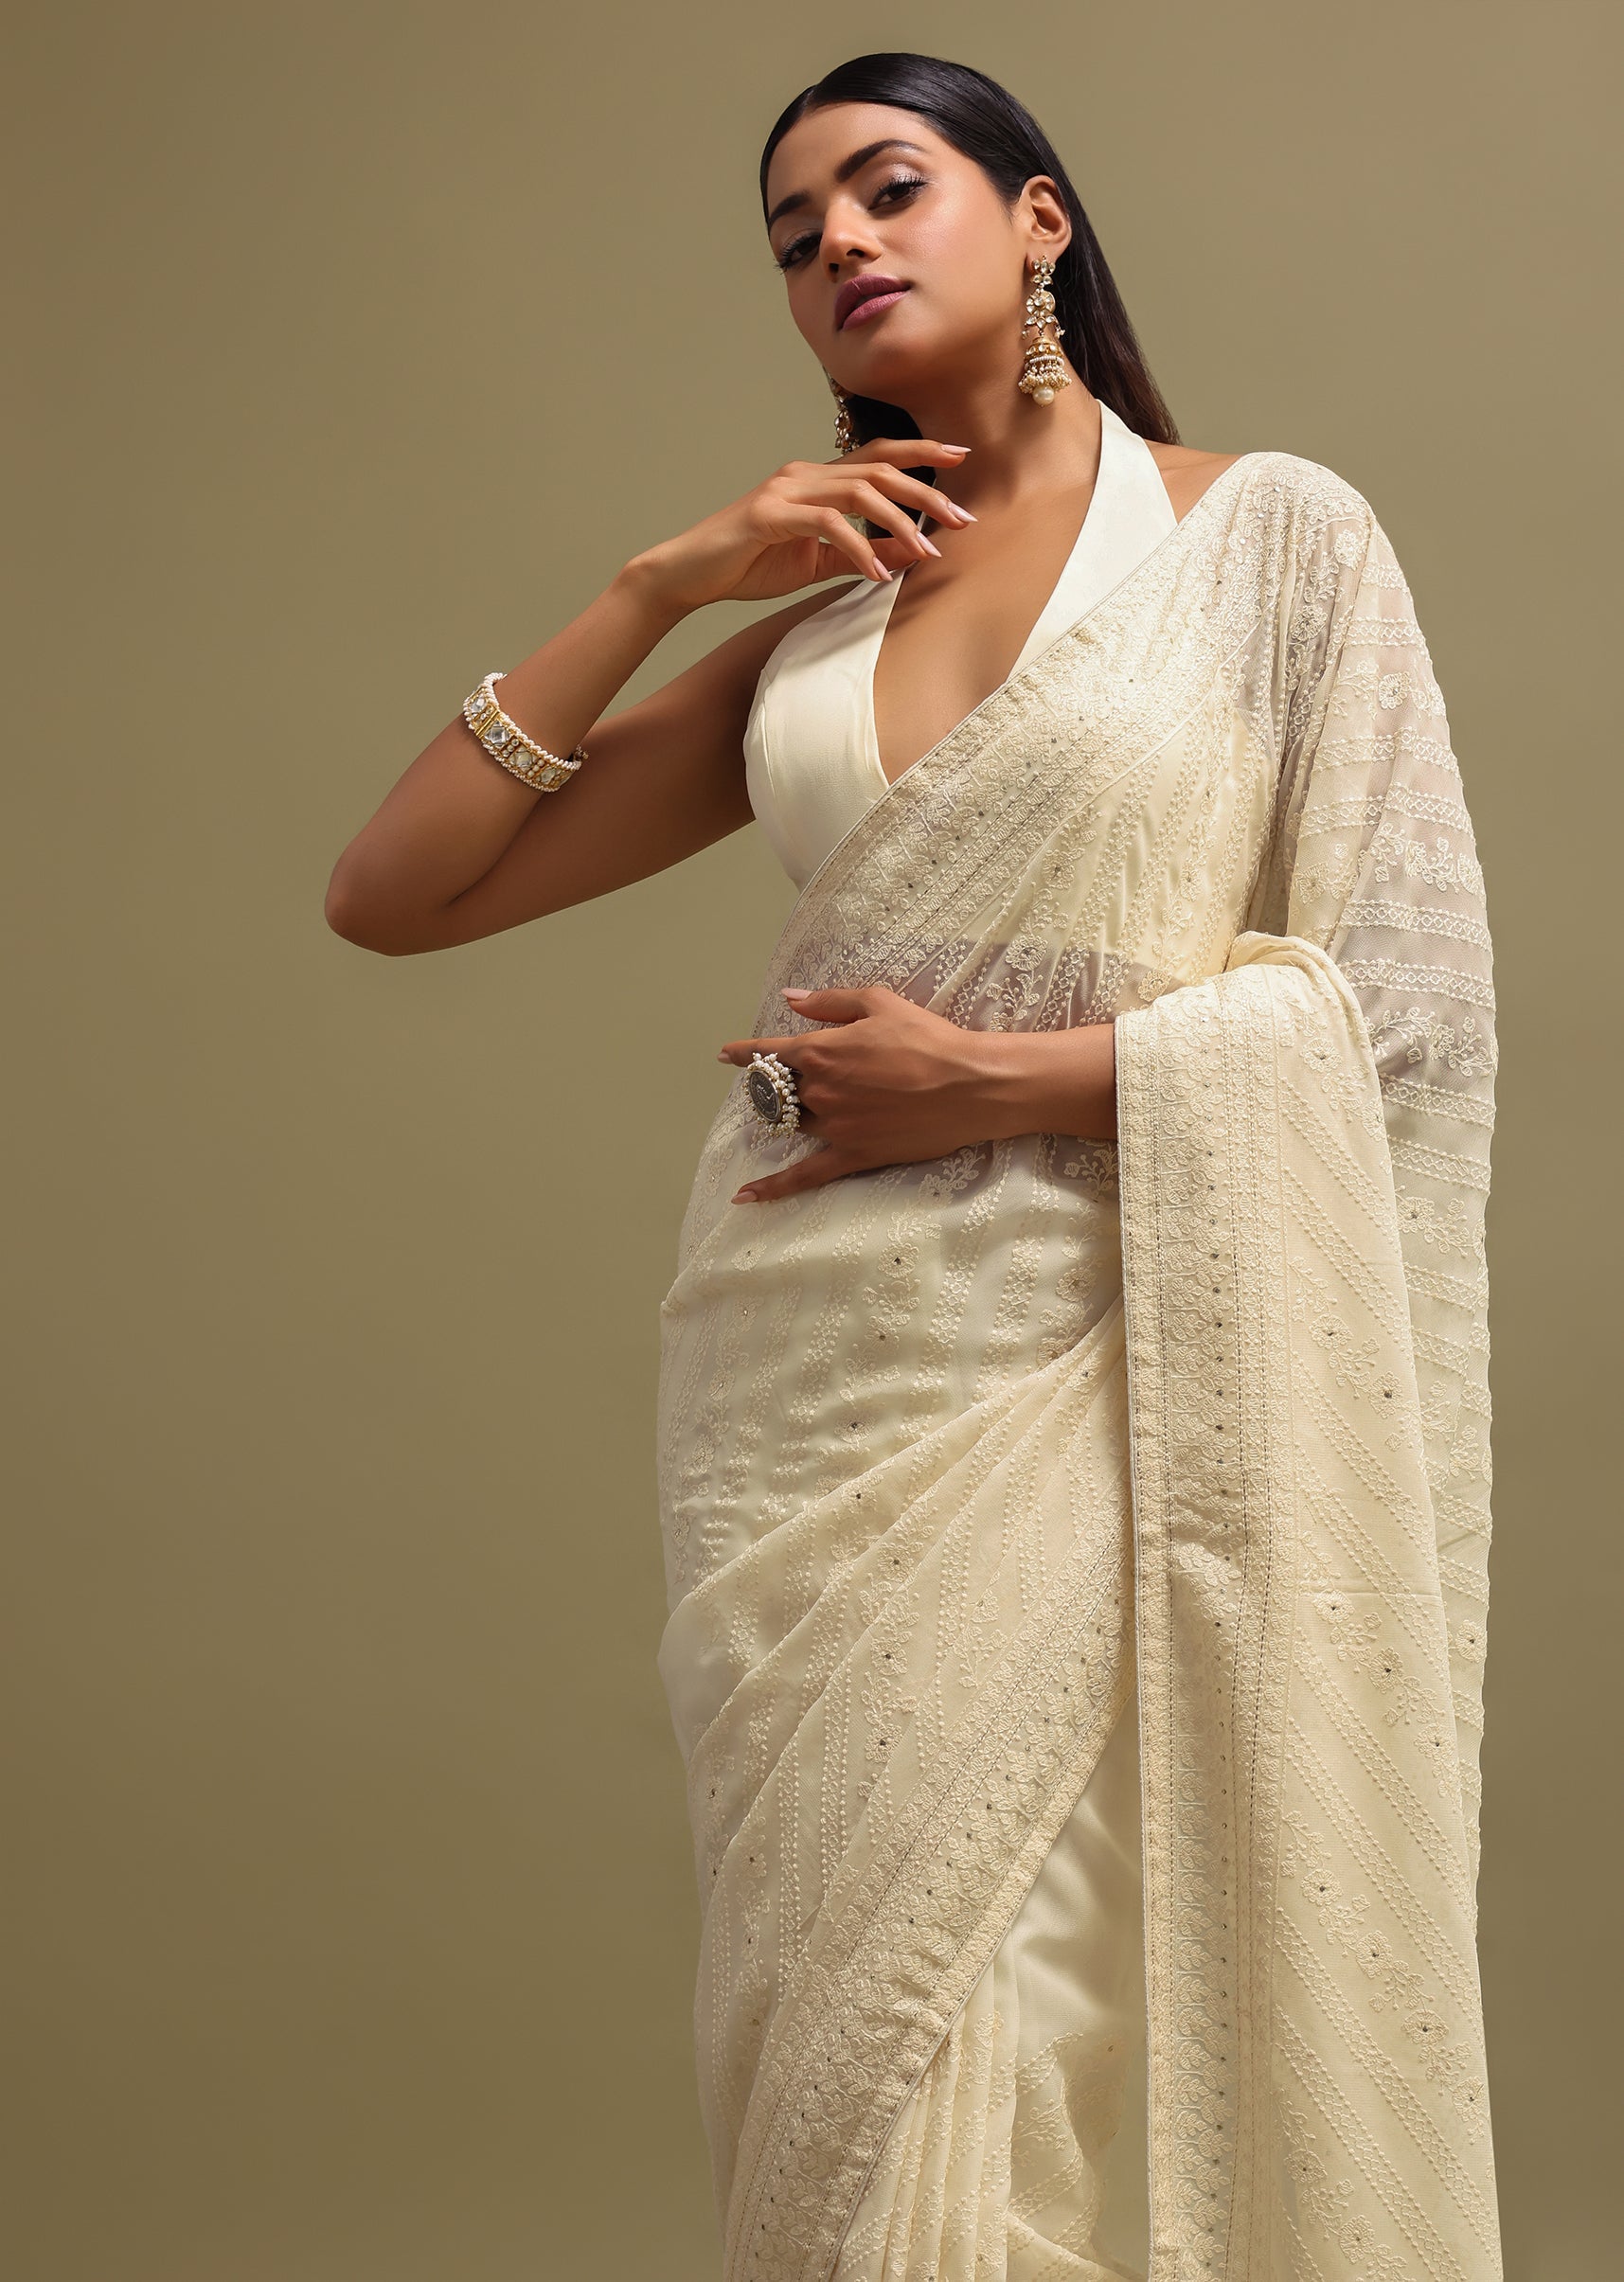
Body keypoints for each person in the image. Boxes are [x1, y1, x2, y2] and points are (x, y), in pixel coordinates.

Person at [326, 50, 1501, 2282]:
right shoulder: (814, 631)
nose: (842, 247)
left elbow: (1413, 1011)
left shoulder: (1267, 540)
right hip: (798, 1400)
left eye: (889, 189)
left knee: (1012, 2006)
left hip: (1109, 1369)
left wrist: (1007, 1079)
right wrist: (663, 580)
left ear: (1039, 217)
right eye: (797, 237)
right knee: (835, 2039)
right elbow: (398, 891)